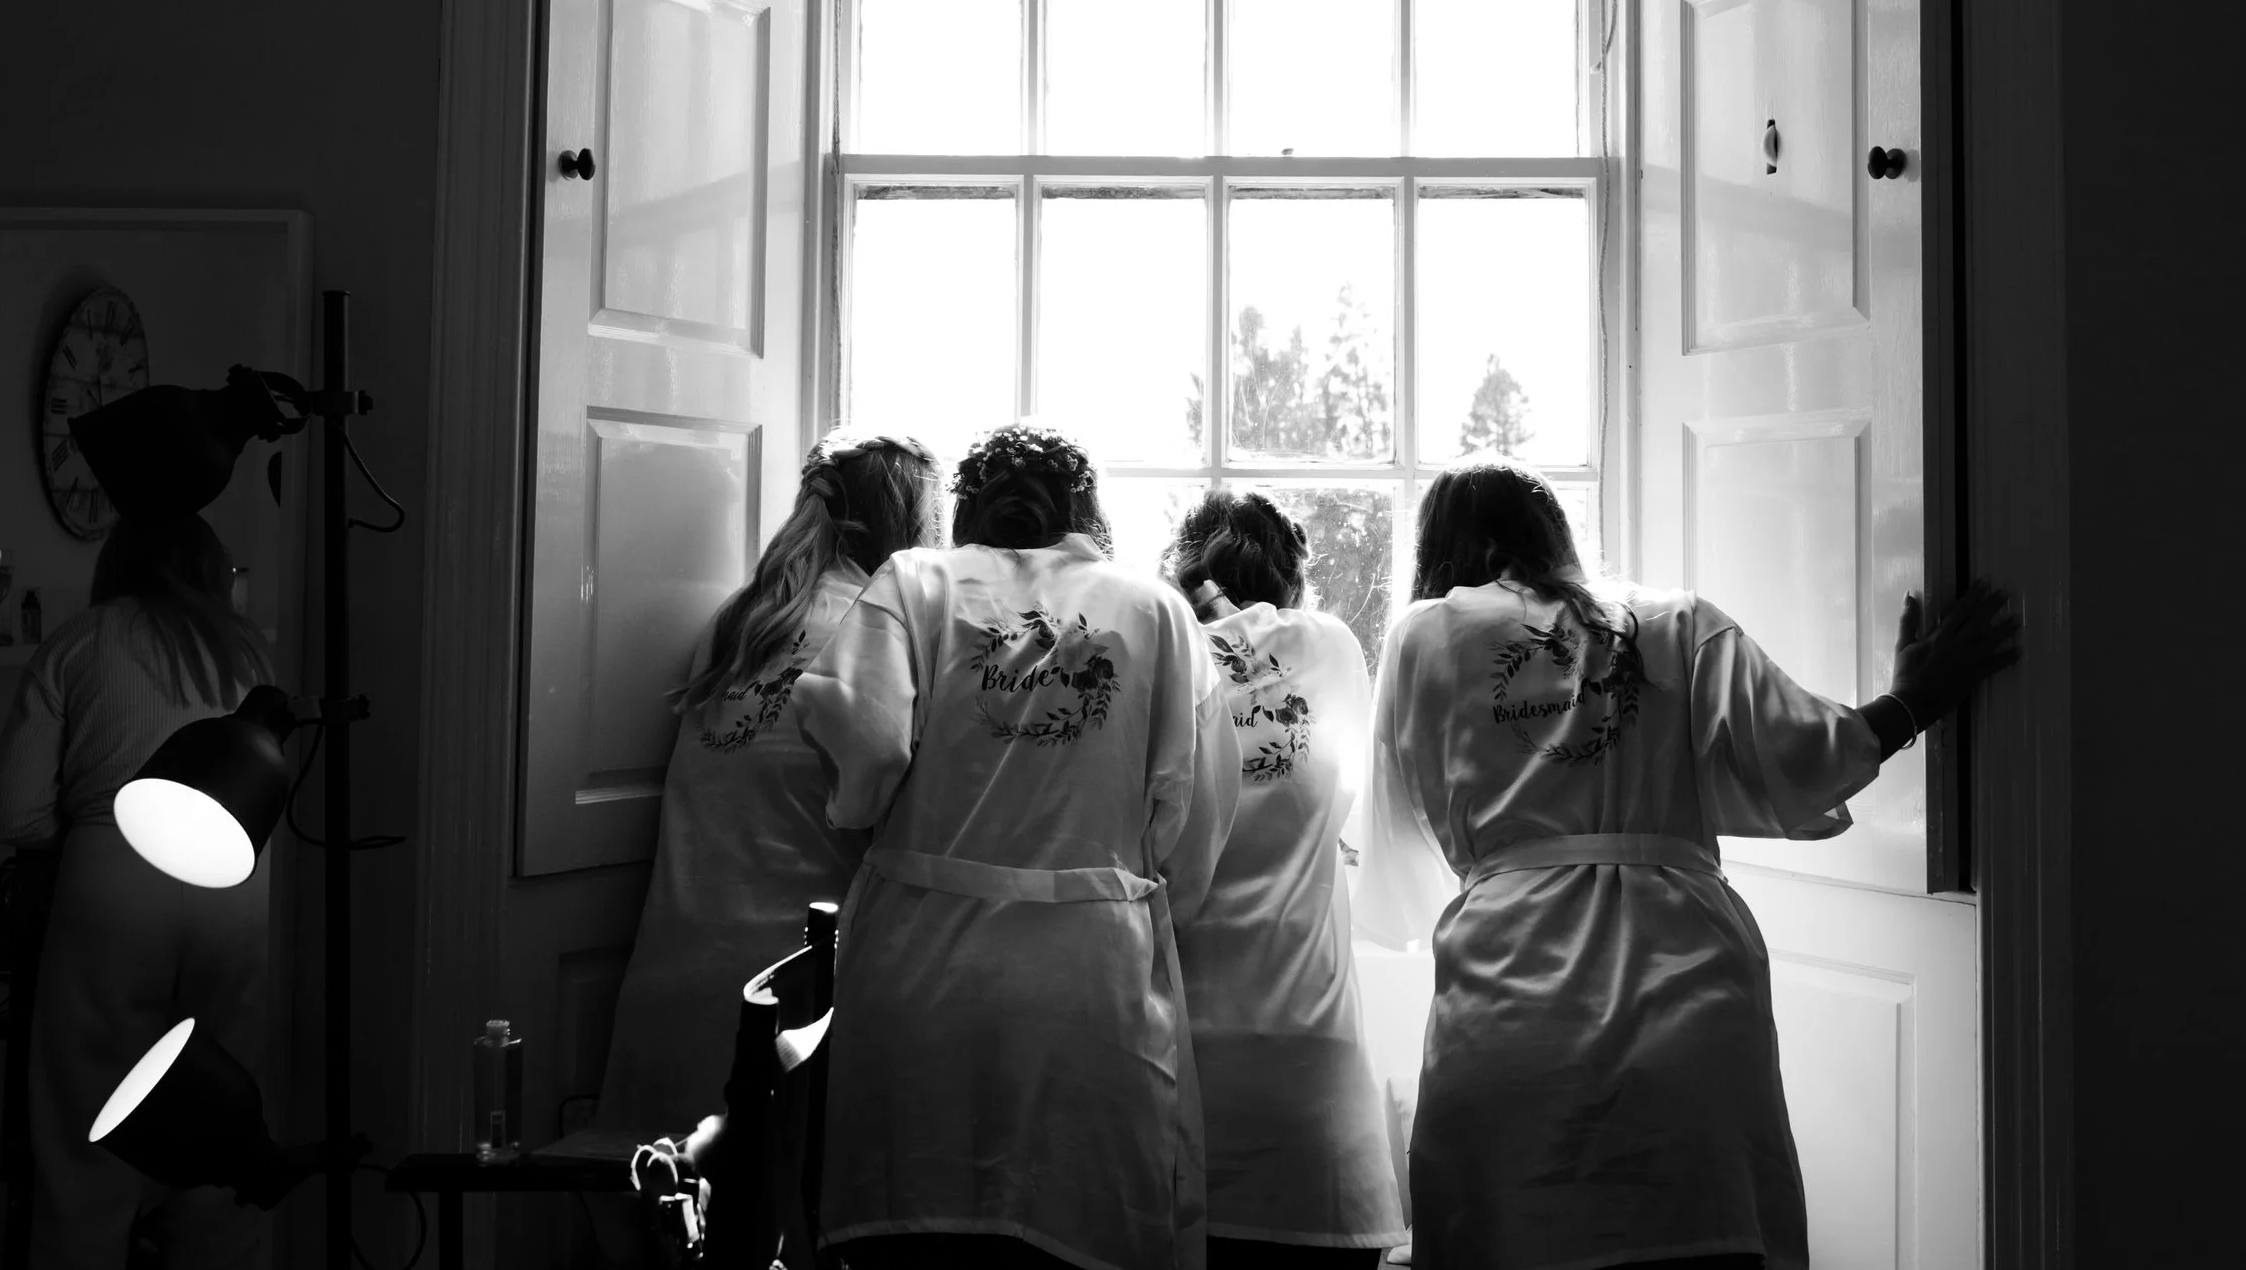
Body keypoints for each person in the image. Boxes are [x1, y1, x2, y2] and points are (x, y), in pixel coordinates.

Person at [1352, 457, 2020, 1270]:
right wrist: (1914, 699)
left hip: (1506, 1019)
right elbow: (1804, 752)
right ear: (1551, 532)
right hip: (1689, 1010)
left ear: (1442, 550)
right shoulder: (1672, 621)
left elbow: (1396, 847)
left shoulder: (1423, 635)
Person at [792, 423, 1241, 1270]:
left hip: (920, 970)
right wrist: (1132, 895)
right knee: (1073, 1237)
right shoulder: (1152, 607)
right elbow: (1201, 808)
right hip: (1089, 976)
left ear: (968, 506)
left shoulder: (916, 578)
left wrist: (872, 812)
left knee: (916, 1233)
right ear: (1084, 507)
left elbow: (866, 737)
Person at [593, 431, 942, 1141]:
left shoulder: (737, 621)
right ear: (907, 523)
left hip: (669, 983)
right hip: (786, 1000)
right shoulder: (877, 628)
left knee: (672, 1222)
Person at [0, 511, 276, 1270]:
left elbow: (13, 810)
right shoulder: (248, 652)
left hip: (112, 876)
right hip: (236, 882)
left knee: (88, 1121)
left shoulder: (81, 641)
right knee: (227, 1117)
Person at [1163, 491, 1407, 1270]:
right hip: (1311, 1073)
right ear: (1293, 581)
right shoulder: (1330, 647)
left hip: (1181, 1064)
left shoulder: (1159, 658)